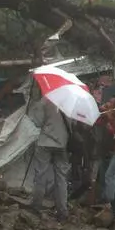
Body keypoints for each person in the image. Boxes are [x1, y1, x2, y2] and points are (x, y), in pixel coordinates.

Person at [28, 92, 70, 221]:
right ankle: (62, 211)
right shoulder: (69, 102)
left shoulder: (46, 99)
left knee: (41, 174)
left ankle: (36, 205)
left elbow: (38, 122)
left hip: (46, 141)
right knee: (61, 177)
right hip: (62, 143)